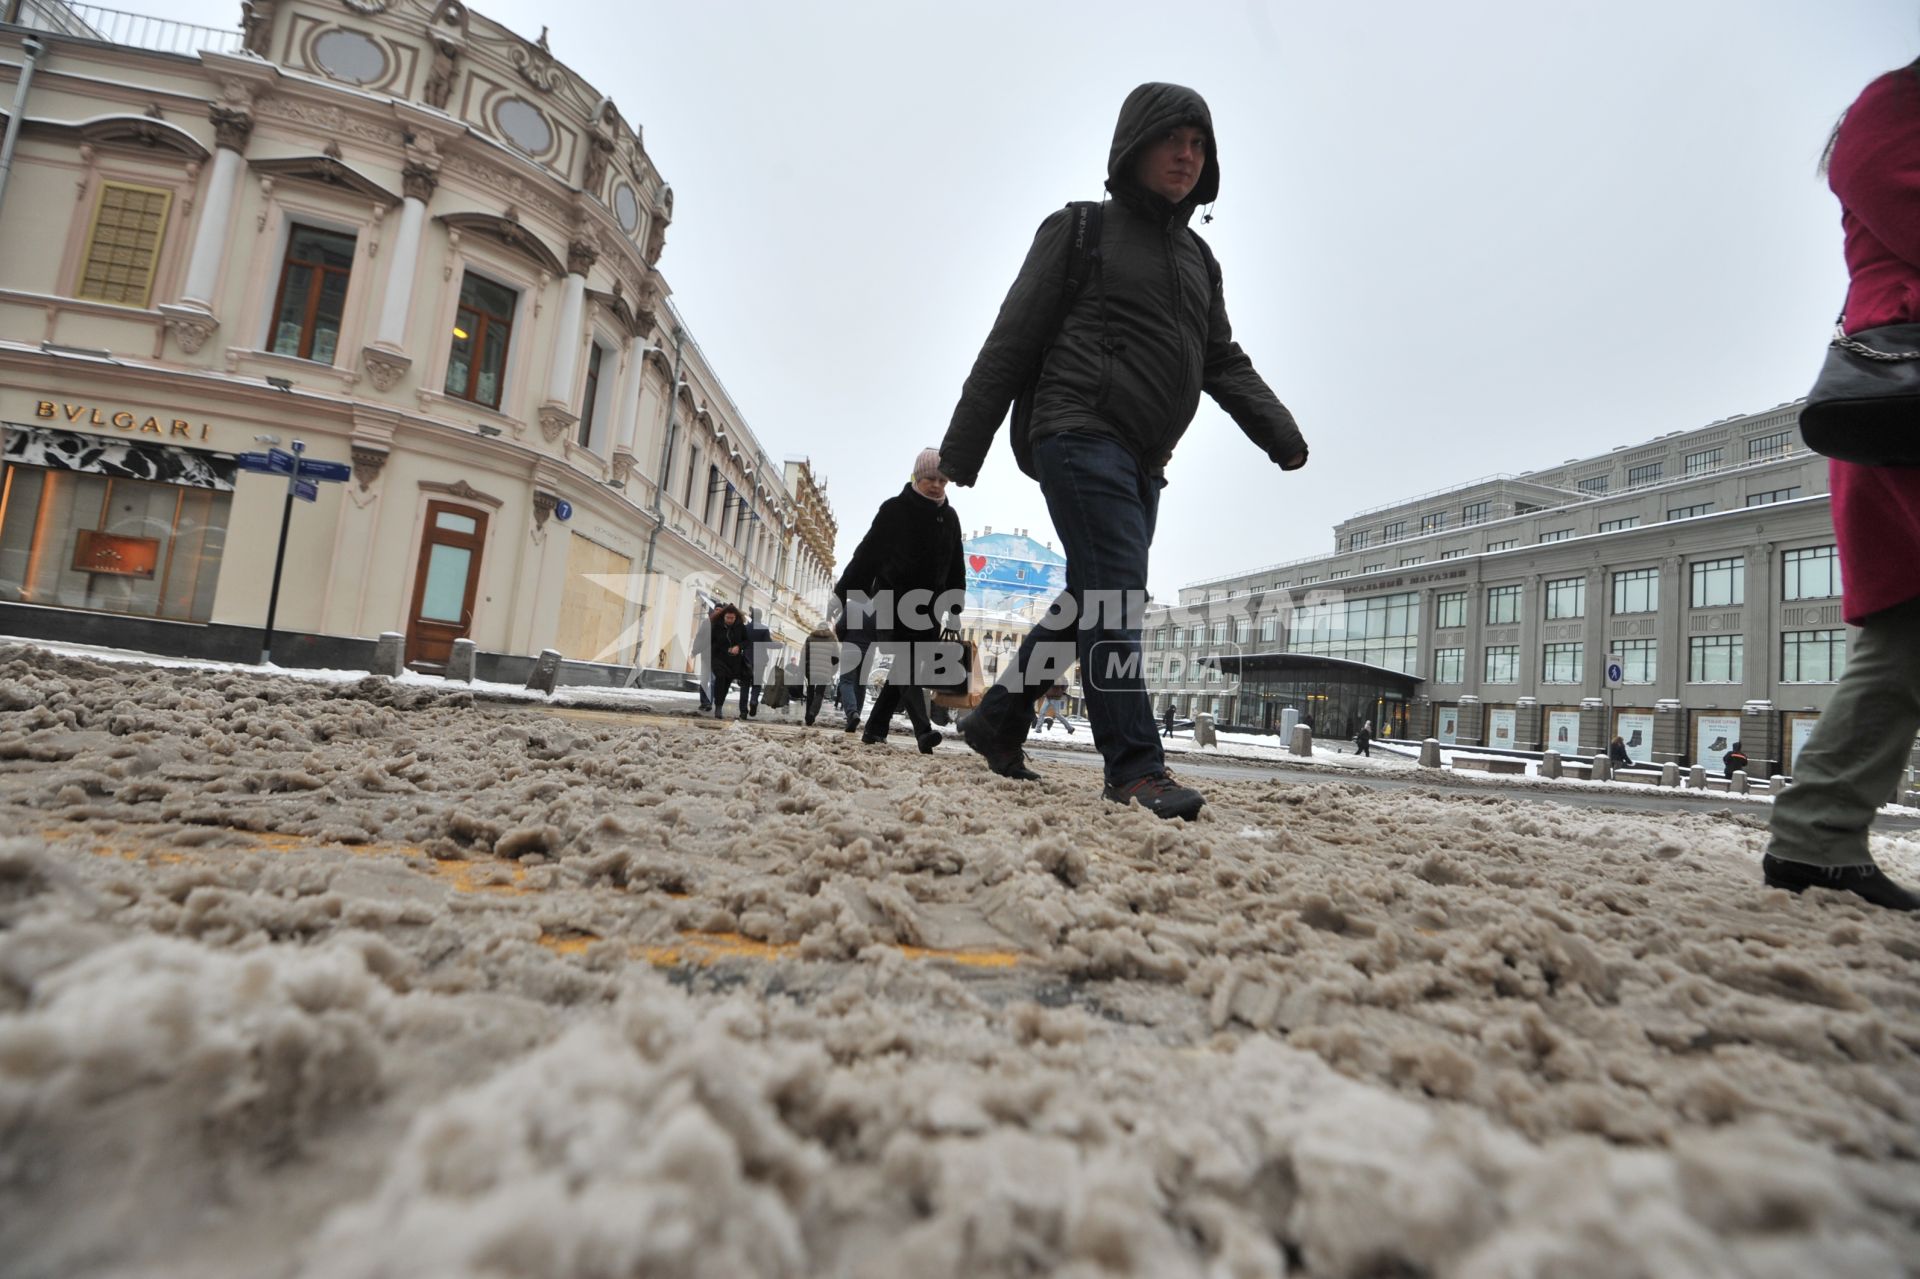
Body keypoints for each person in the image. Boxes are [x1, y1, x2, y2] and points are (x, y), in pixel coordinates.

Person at [940, 83, 1309, 818]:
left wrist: (1278, 429)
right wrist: (961, 448)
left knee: (1090, 599)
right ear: (1135, 146)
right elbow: (1011, 338)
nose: (1186, 154)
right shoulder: (1081, 229)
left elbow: (1221, 359)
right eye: (1173, 138)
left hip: (1144, 460)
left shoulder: (1200, 260)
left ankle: (998, 719)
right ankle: (1135, 766)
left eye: (1199, 144)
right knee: (1116, 595)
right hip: (1075, 428)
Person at [1762, 59, 1920, 912]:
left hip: (1895, 399)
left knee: (1906, 632)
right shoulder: (1896, 104)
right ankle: (1817, 832)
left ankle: (1818, 834)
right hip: (1903, 388)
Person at [832, 448, 967, 754]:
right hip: (893, 601)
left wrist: (955, 607)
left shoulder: (950, 517)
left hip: (930, 608)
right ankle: (923, 731)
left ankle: (875, 728)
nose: (936, 486)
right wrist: (844, 594)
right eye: (931, 478)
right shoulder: (895, 510)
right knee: (907, 663)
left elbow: (956, 565)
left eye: (942, 481)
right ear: (917, 477)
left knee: (910, 669)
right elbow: (867, 554)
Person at [708, 603, 750, 720]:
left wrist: (739, 647)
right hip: (718, 657)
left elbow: (746, 641)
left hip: (733, 661)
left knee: (726, 683)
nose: (730, 620)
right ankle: (718, 707)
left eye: (732, 618)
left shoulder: (740, 627)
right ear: (723, 616)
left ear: (736, 617)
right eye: (728, 618)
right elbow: (710, 641)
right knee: (720, 677)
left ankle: (720, 703)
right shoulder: (716, 625)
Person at [800, 623, 837, 726]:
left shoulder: (810, 638)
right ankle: (813, 712)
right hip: (825, 671)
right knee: (819, 693)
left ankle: (808, 717)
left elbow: (804, 655)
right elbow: (836, 658)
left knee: (810, 692)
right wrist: (832, 670)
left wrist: (803, 668)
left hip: (810, 669)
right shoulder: (832, 640)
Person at [743, 608, 773, 717]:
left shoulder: (745, 628)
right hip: (760, 659)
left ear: (751, 616)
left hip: (747, 659)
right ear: (760, 617)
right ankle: (754, 700)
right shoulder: (764, 629)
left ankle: (743, 711)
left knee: (745, 684)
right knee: (757, 682)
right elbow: (768, 644)